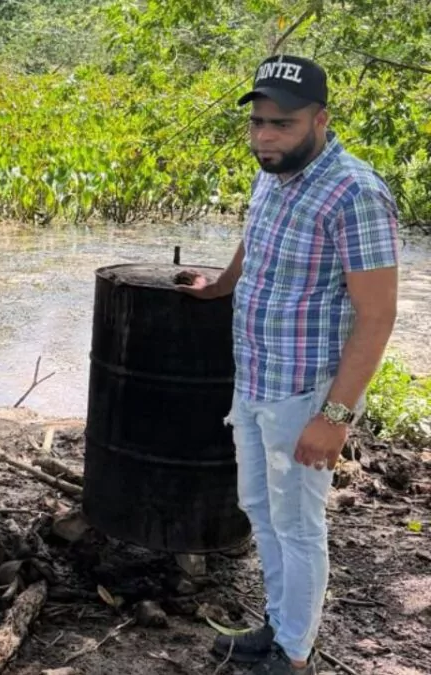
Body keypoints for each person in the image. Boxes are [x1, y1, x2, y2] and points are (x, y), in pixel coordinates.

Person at [178, 55, 399, 674]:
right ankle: (278, 625)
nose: (264, 137)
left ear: (320, 120)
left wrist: (335, 416)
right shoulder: (273, 173)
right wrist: (222, 285)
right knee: (258, 507)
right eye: (257, 124)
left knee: (298, 523)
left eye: (281, 124)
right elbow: (258, 236)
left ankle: (295, 654)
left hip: (304, 390)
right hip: (254, 376)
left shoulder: (355, 193)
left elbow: (378, 316)